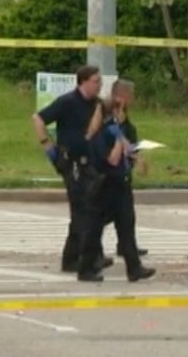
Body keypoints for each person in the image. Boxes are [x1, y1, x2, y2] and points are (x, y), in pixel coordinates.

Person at [31, 65, 106, 281]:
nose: (99, 85)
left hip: (90, 163)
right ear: (83, 81)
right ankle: (79, 259)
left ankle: (82, 255)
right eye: (95, 81)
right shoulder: (68, 102)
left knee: (92, 210)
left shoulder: (97, 105)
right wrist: (48, 147)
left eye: (100, 81)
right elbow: (38, 119)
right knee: (81, 209)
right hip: (71, 162)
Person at [83, 97, 155, 282]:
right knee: (94, 227)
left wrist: (138, 158)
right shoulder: (101, 133)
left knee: (126, 226)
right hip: (106, 185)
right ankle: (87, 268)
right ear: (113, 112)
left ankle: (134, 268)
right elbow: (113, 159)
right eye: (121, 110)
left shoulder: (115, 130)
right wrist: (118, 139)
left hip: (120, 184)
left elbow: (129, 150)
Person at [103, 79, 148, 260]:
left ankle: (127, 247)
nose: (134, 99)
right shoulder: (106, 113)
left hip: (123, 168)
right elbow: (114, 135)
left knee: (127, 214)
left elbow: (128, 134)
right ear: (122, 96)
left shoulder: (123, 115)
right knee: (105, 214)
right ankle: (85, 248)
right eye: (131, 95)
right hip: (109, 170)